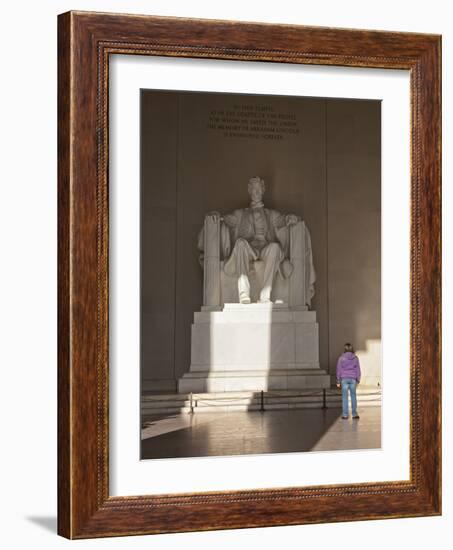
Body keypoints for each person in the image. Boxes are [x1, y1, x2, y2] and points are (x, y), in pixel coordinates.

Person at [199, 176, 316, 304]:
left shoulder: (270, 214)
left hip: (265, 248)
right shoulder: (240, 214)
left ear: (263, 191)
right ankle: (243, 292)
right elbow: (226, 219)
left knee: (275, 247)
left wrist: (290, 218)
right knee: (240, 244)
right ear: (250, 191)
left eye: (259, 190)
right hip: (249, 249)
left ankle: (265, 294)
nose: (256, 193)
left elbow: (282, 220)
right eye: (254, 190)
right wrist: (216, 216)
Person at [336, 343, 361, 419]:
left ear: (345, 349)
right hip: (353, 379)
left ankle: (345, 415)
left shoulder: (341, 358)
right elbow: (358, 370)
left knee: (345, 398)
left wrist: (338, 380)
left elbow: (338, 370)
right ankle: (354, 414)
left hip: (344, 379)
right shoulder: (356, 358)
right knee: (353, 396)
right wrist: (358, 379)